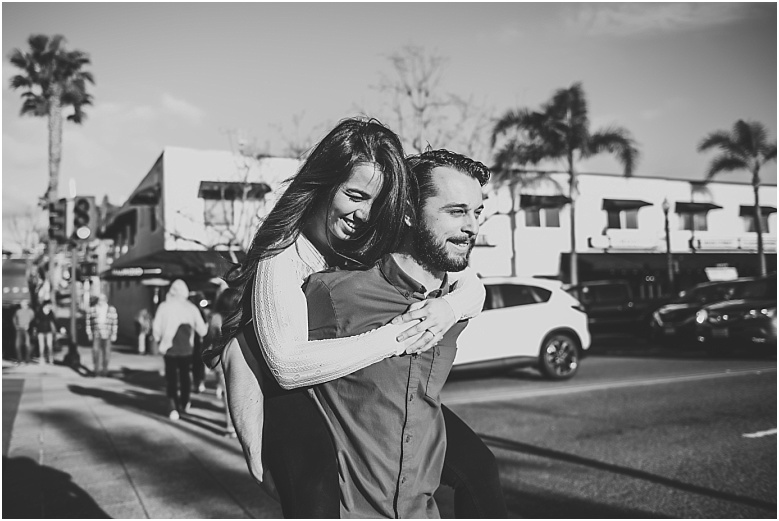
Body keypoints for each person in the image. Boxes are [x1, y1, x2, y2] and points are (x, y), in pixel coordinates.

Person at [205, 118, 504, 518]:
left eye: (378, 203)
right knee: (315, 488)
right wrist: (398, 335)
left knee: (479, 467)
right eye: (356, 195)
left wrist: (448, 308)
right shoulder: (283, 257)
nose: (366, 214)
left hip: (354, 377)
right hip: (288, 382)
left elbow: (470, 280)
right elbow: (286, 365)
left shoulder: (365, 236)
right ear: (324, 184)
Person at [305, 149, 499, 517]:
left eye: (477, 212)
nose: (472, 226)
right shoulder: (336, 293)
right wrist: (263, 459)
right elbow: (254, 353)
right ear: (408, 211)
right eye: (456, 211)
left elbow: (473, 291)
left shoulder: (454, 311)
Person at [153, 279, 207, 420]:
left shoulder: (164, 307)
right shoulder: (191, 308)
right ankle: (184, 402)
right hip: (186, 349)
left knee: (171, 378)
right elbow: (202, 330)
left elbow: (156, 329)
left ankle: (172, 406)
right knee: (185, 377)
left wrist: (158, 338)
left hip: (169, 348)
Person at [205, 288, 240, 437]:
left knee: (228, 394)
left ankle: (231, 426)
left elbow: (210, 339)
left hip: (221, 359)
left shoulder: (216, 318)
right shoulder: (241, 315)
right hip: (241, 357)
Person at [85, 294, 118, 376]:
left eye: (103, 299)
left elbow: (115, 322)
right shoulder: (92, 309)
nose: (101, 301)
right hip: (96, 333)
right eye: (100, 300)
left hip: (107, 334)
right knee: (96, 352)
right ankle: (96, 370)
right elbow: (88, 322)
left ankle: (105, 370)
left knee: (106, 352)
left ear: (106, 300)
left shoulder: (111, 309)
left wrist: (114, 333)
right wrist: (89, 333)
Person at [32, 300, 58, 365]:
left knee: (50, 345)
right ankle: (42, 358)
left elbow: (54, 320)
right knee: (41, 346)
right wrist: (35, 328)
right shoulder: (39, 311)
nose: (51, 306)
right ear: (46, 305)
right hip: (40, 331)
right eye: (50, 305)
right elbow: (35, 320)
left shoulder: (50, 312)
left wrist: (60, 328)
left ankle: (50, 359)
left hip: (48, 331)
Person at [12, 299, 35, 364]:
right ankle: (19, 359)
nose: (24, 305)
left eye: (25, 304)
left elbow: (33, 320)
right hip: (19, 329)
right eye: (22, 304)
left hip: (27, 330)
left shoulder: (30, 311)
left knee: (27, 345)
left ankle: (27, 359)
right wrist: (16, 326)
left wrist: (29, 325)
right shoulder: (18, 311)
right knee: (17, 345)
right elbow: (14, 319)